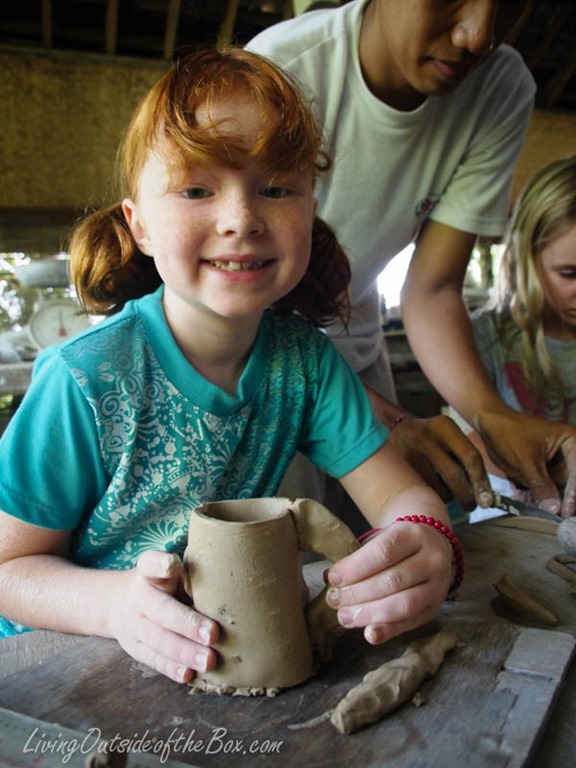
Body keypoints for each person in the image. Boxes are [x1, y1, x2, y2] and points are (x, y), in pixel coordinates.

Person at [0, 47, 459, 684]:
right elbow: (8, 570)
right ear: (141, 228)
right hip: (59, 670)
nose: (242, 219)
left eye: (276, 188)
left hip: (220, 671)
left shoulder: (306, 367)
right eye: (196, 189)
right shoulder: (82, 380)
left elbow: (401, 495)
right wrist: (114, 607)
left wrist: (428, 540)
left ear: (309, 210)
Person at [247, 0, 576, 517]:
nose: (478, 35)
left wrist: (490, 414)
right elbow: (239, 305)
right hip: (257, 357)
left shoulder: (499, 87)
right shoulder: (282, 73)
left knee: (396, 535)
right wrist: (383, 421)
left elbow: (433, 288)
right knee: (282, 547)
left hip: (357, 342)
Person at [455, 156, 576, 498]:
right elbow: (471, 441)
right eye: (570, 273)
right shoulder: (484, 336)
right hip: (507, 522)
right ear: (526, 256)